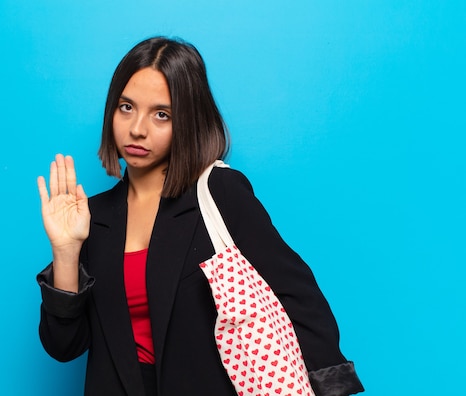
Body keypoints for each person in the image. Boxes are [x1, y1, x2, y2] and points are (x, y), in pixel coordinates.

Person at [36, 36, 364, 396]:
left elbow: (299, 297)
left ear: (189, 121)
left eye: (162, 114)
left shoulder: (219, 193)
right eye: (126, 107)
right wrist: (66, 252)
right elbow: (64, 347)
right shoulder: (93, 217)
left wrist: (331, 385)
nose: (137, 129)